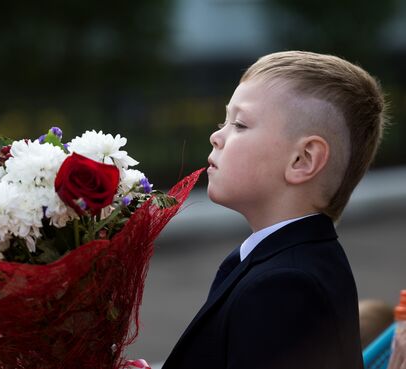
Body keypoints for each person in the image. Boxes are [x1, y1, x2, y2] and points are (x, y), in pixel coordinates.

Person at [162, 51, 387, 369]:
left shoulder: (286, 287)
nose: (216, 136)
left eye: (239, 124)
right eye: (223, 122)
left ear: (303, 160)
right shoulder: (281, 263)